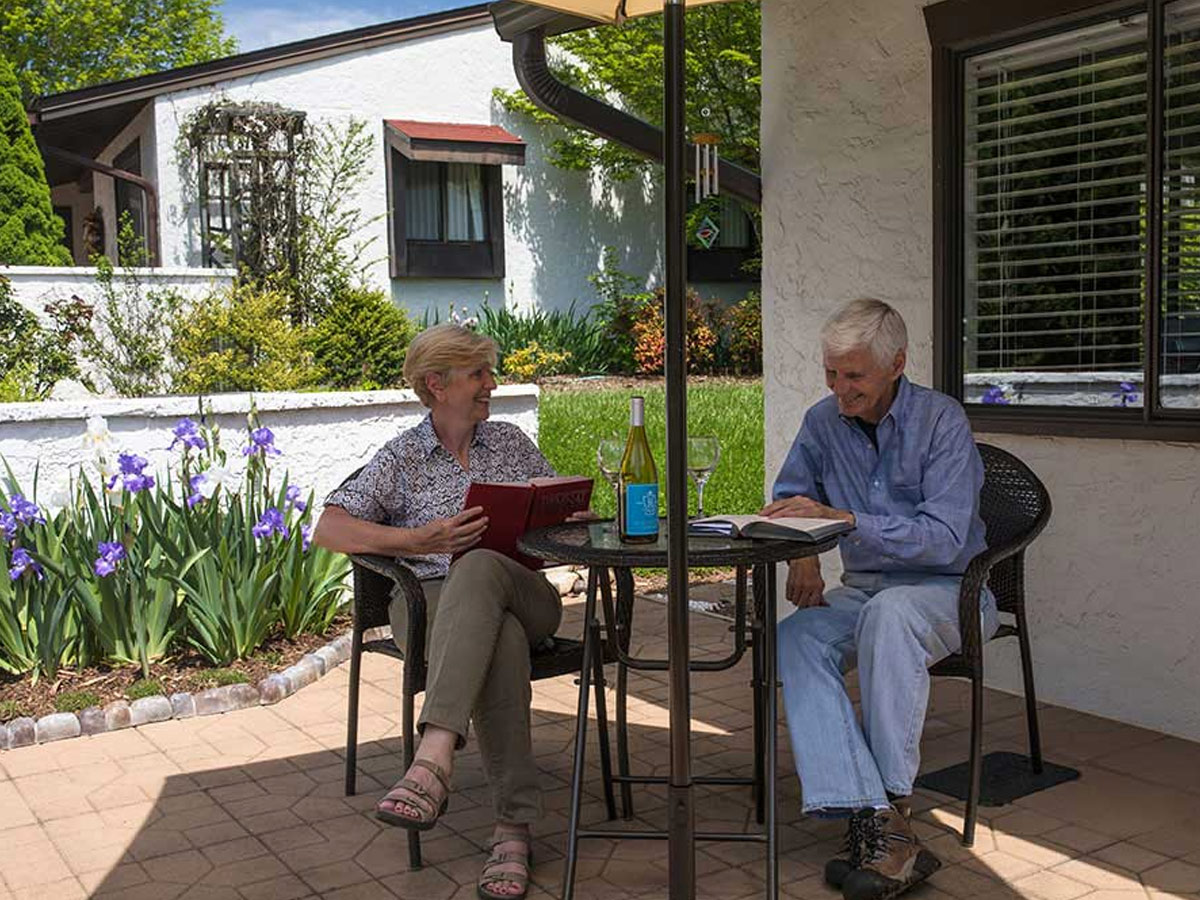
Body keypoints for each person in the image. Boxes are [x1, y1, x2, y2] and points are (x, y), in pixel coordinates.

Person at [313, 323, 563, 900]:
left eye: (489, 372)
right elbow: (329, 526)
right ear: (437, 383)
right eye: (478, 373)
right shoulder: (403, 457)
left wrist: (561, 514)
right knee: (492, 636)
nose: (491, 385)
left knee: (477, 567)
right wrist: (419, 540)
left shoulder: (511, 441)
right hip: (430, 603)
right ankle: (512, 831)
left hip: (525, 595)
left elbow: (559, 506)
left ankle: (433, 756)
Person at [762, 298, 997, 900]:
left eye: (854, 376)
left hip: (952, 592)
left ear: (897, 363)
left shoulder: (942, 422)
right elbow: (791, 494)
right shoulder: (821, 422)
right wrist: (806, 554)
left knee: (891, 617)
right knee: (792, 638)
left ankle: (890, 804)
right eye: (831, 374)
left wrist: (844, 519)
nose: (840, 389)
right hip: (863, 592)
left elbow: (945, 539)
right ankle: (875, 819)